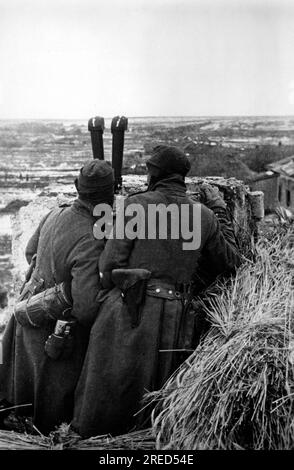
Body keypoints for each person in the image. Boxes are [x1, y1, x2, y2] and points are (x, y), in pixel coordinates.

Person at [72, 144, 241, 438]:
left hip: (130, 308)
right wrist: (219, 210)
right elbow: (230, 262)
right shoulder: (203, 215)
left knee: (109, 389)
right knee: (158, 400)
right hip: (177, 318)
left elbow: (110, 262)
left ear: (154, 175)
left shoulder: (136, 206)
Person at [0, 159, 114, 434]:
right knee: (50, 417)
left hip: (29, 310)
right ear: (111, 195)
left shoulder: (54, 213)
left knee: (20, 402)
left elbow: (30, 251)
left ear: (77, 187)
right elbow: (86, 306)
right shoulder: (91, 235)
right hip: (55, 332)